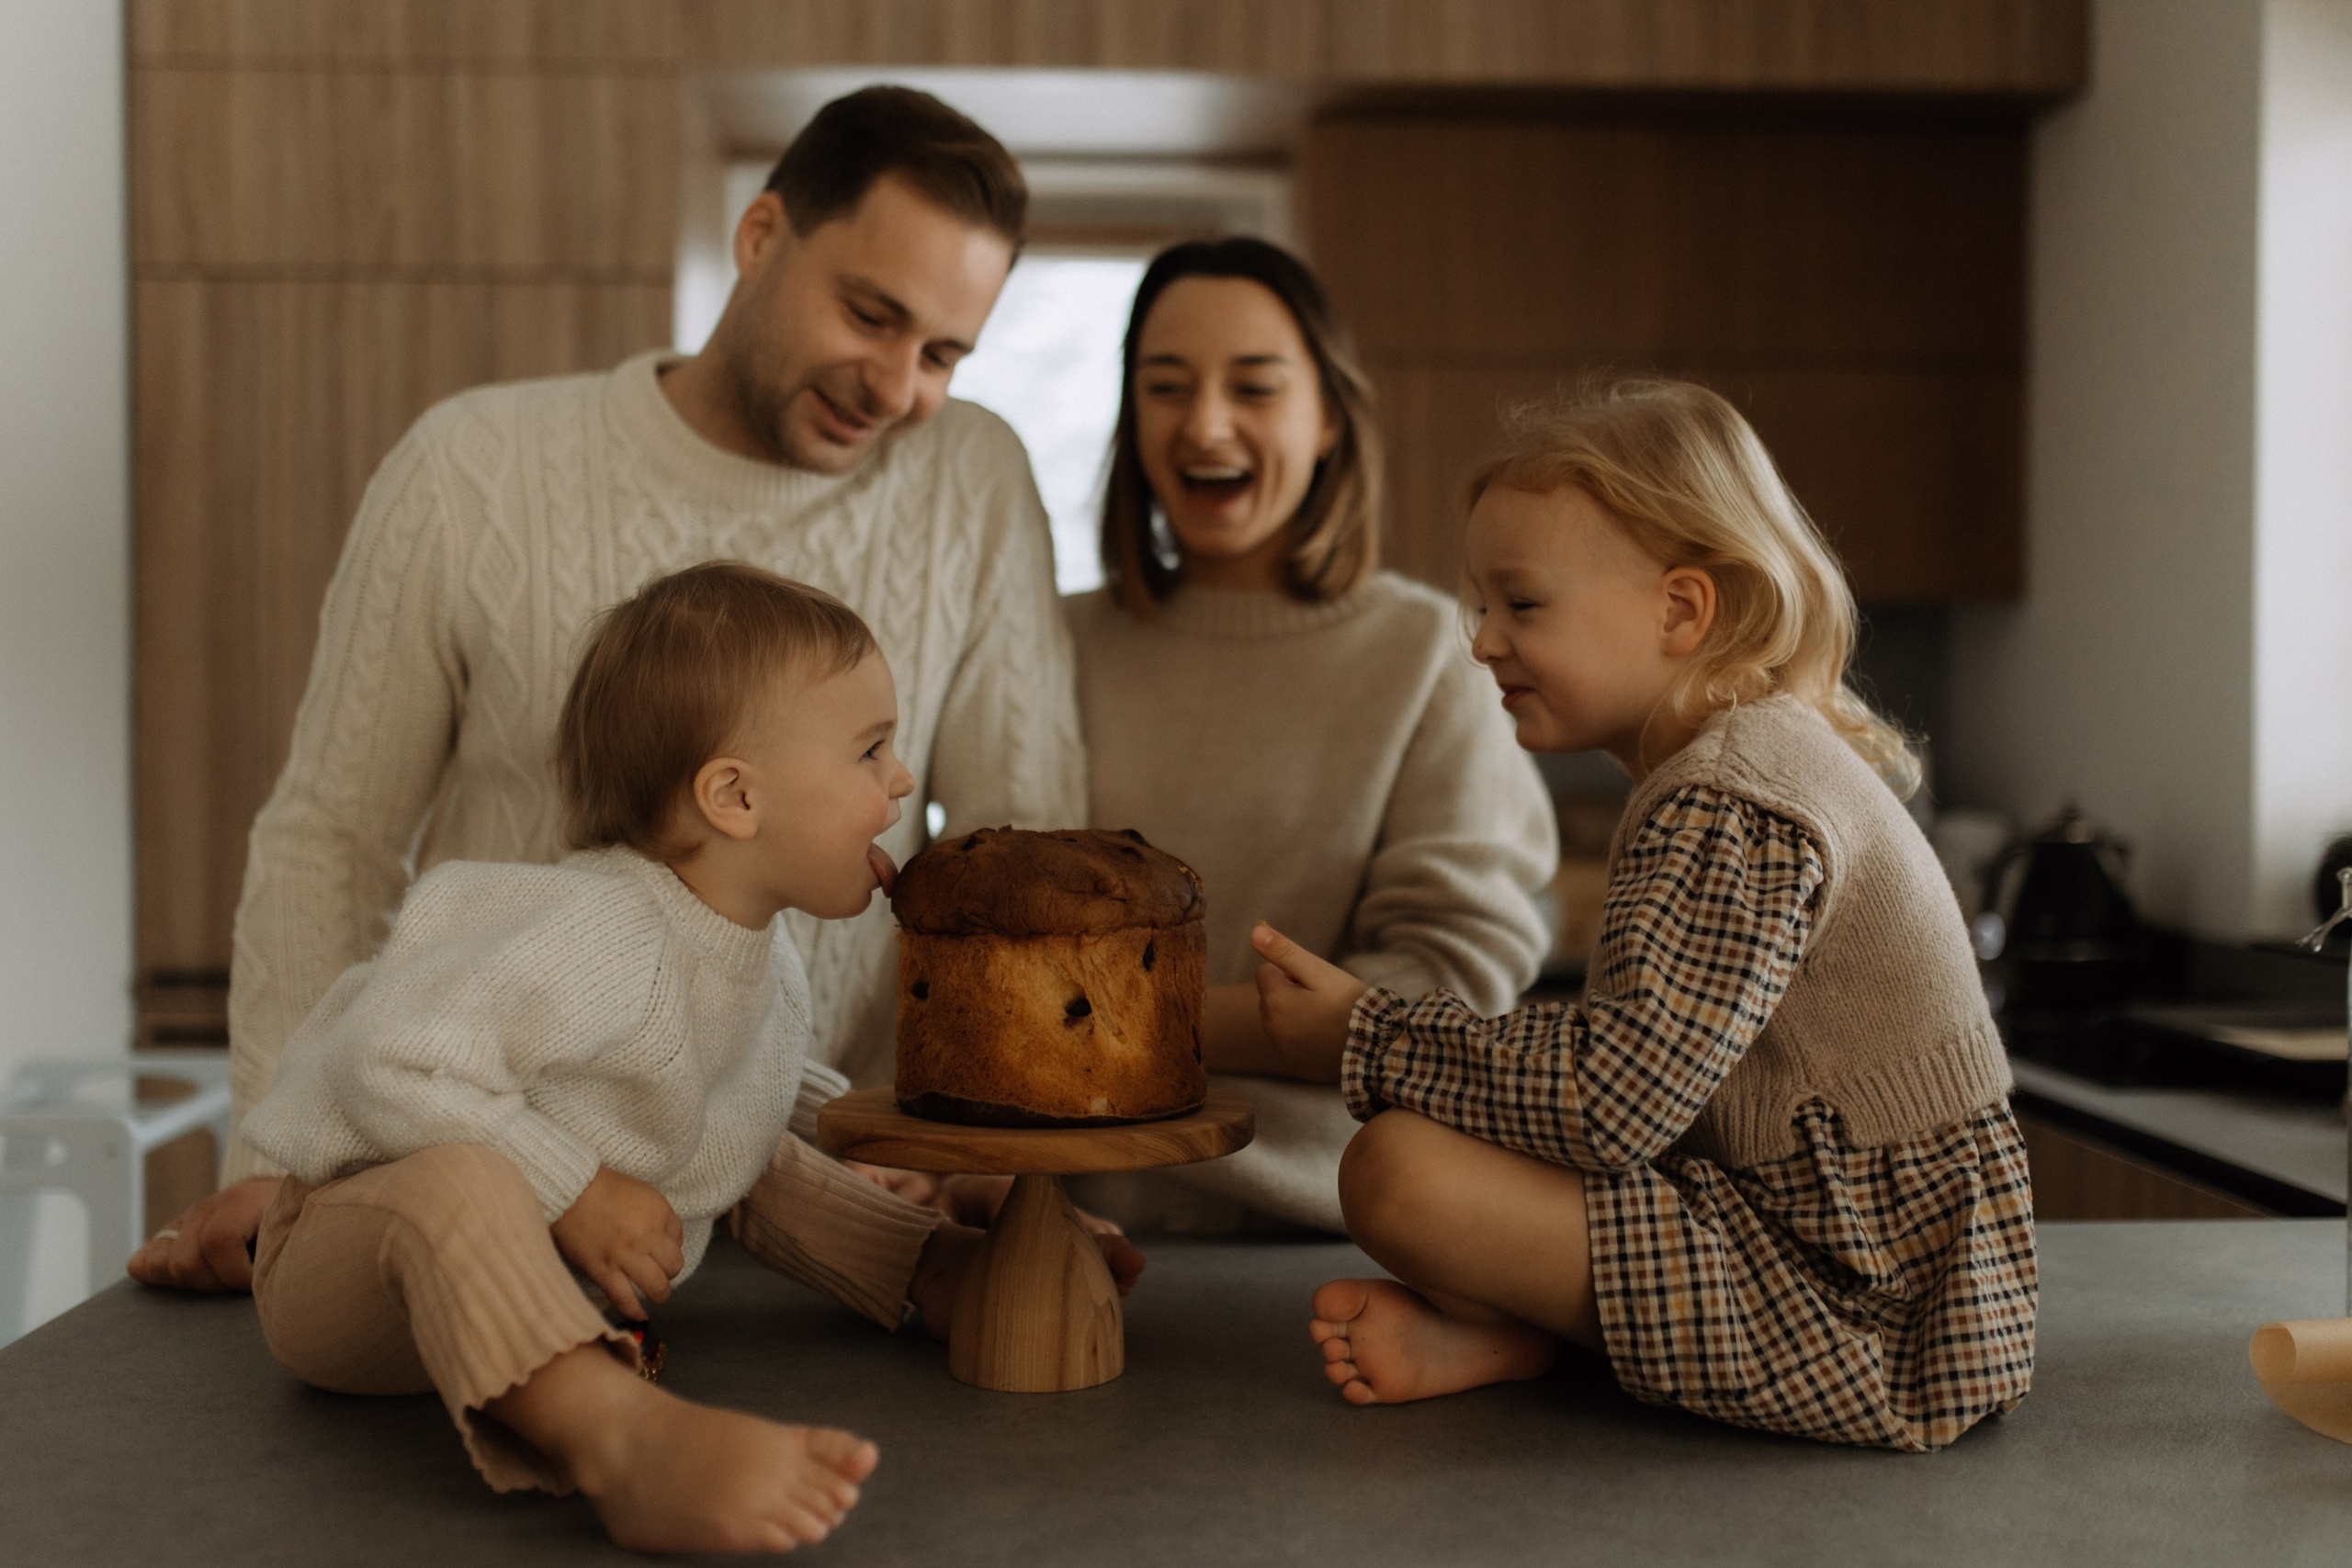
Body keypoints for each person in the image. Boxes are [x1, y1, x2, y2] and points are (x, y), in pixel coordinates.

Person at [131, 85, 1090, 1291]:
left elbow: (1024, 855)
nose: (898, 386)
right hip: (490, 1178)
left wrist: (988, 1147)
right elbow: (333, 838)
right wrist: (286, 1149)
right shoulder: (474, 467)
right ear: (759, 238)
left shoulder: (976, 475)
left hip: (785, 1188)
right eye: (870, 313)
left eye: (944, 351)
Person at [239, 563, 1134, 1554]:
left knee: (725, 1142)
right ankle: (620, 1442)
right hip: (354, 1267)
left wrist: (928, 1165)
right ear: (735, 797)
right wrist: (573, 1190)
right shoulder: (599, 928)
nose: (902, 779)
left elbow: (760, 1086)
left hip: (509, 1290)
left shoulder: (764, 959)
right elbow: (390, 1061)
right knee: (461, 1177)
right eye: (870, 750)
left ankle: (934, 1270)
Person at [1252, 378, 2036, 1451]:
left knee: (1397, 1169)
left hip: (1878, 1316)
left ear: (1679, 611)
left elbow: (1611, 1103)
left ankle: (1545, 1338)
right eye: (1481, 605)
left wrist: (1367, 1035)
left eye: (1519, 604)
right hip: (1826, 1248)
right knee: (1431, 1149)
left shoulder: (1728, 797)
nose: (1481, 641)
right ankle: (1539, 1340)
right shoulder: (1730, 763)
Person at [1055, 240, 1555, 1235]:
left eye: (1253, 386)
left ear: (1326, 417)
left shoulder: (1427, 657)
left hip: (1327, 1232)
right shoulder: (1048, 643)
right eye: (1164, 386)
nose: (1204, 424)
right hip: (1048, 1210)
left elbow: (1451, 990)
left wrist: (1105, 1022)